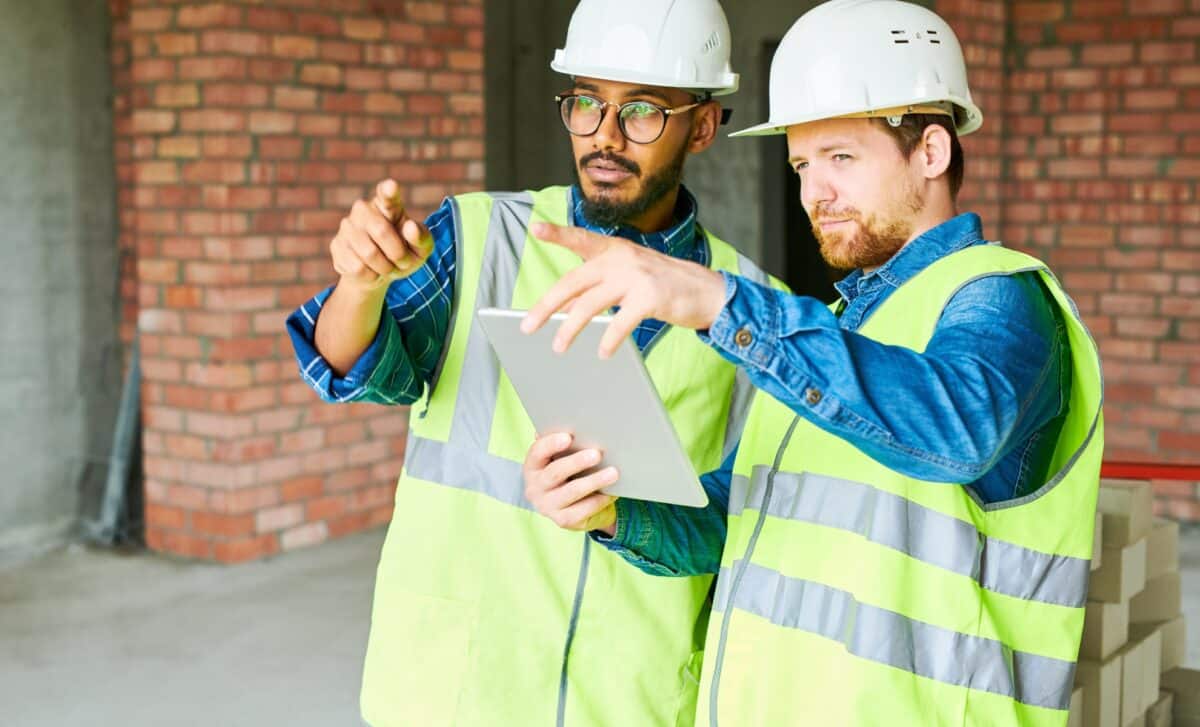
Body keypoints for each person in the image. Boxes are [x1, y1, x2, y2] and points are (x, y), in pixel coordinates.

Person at [521, 1, 1104, 725]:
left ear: (931, 150)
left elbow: (956, 428)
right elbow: (731, 521)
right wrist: (613, 512)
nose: (812, 193)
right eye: (801, 164)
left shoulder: (1000, 298)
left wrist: (715, 300)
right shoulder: (829, 333)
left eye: (842, 158)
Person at [285, 1, 784, 724]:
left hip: (627, 705)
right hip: (452, 697)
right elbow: (352, 368)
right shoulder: (483, 234)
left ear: (702, 126)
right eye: (586, 103)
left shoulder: (752, 312)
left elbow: (732, 530)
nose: (605, 137)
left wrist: (620, 516)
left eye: (641, 111)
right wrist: (360, 286)